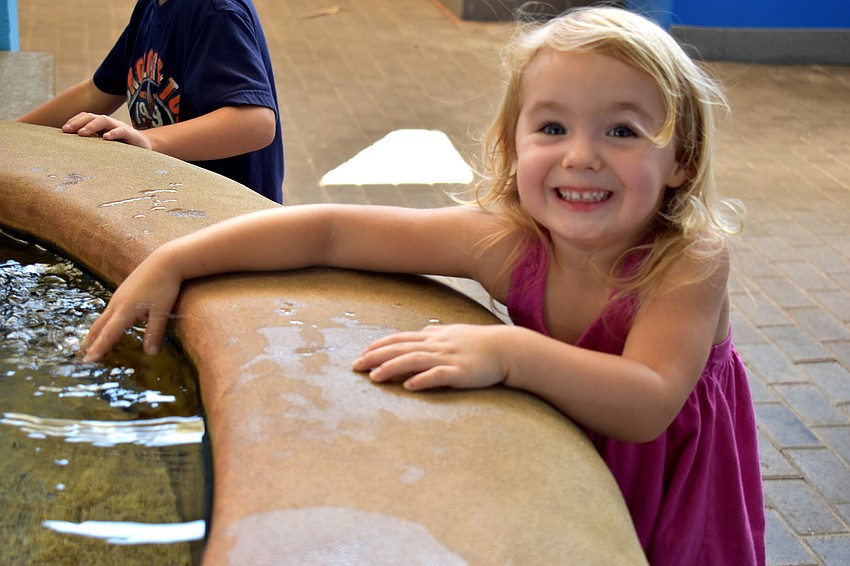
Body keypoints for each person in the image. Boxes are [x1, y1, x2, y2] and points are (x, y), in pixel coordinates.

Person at [81, 7, 765, 564]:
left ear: (682, 158)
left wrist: (509, 353)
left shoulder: (687, 259)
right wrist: (178, 259)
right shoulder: (510, 243)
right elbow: (331, 232)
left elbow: (647, 403)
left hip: (676, 483)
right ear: (514, 146)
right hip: (574, 451)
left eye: (622, 130)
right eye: (552, 127)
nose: (581, 155)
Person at [16, 0, 284, 204]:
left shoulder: (216, 12)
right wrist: (12, 135)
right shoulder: (151, 6)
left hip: (231, 217)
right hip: (181, 200)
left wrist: (150, 141)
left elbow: (256, 122)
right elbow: (96, 92)